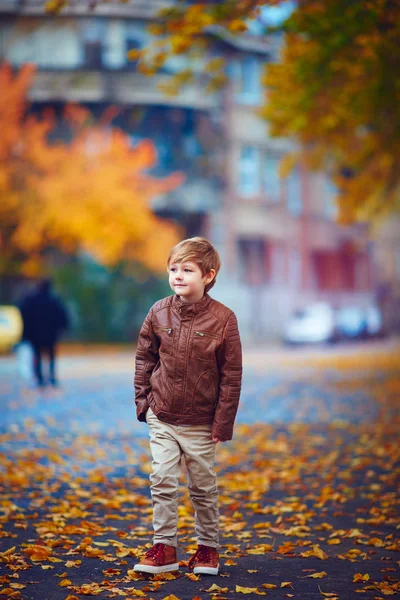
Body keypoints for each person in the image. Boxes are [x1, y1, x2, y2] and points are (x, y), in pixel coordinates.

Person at [133, 237, 242, 576]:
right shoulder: (158, 311)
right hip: (162, 414)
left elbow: (232, 375)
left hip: (200, 422)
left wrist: (222, 424)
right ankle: (164, 548)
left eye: (187, 270)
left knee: (202, 487)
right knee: (162, 478)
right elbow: (144, 358)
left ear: (208, 275)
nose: (177, 276)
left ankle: (208, 550)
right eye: (173, 269)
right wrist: (144, 403)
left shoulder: (223, 319)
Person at [19, 278, 70, 387]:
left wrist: (26, 332)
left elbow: (24, 315)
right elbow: (63, 316)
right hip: (50, 334)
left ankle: (40, 377)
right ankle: (51, 376)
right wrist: (62, 329)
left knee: (37, 355)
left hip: (35, 335)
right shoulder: (54, 300)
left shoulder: (32, 300)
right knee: (50, 355)